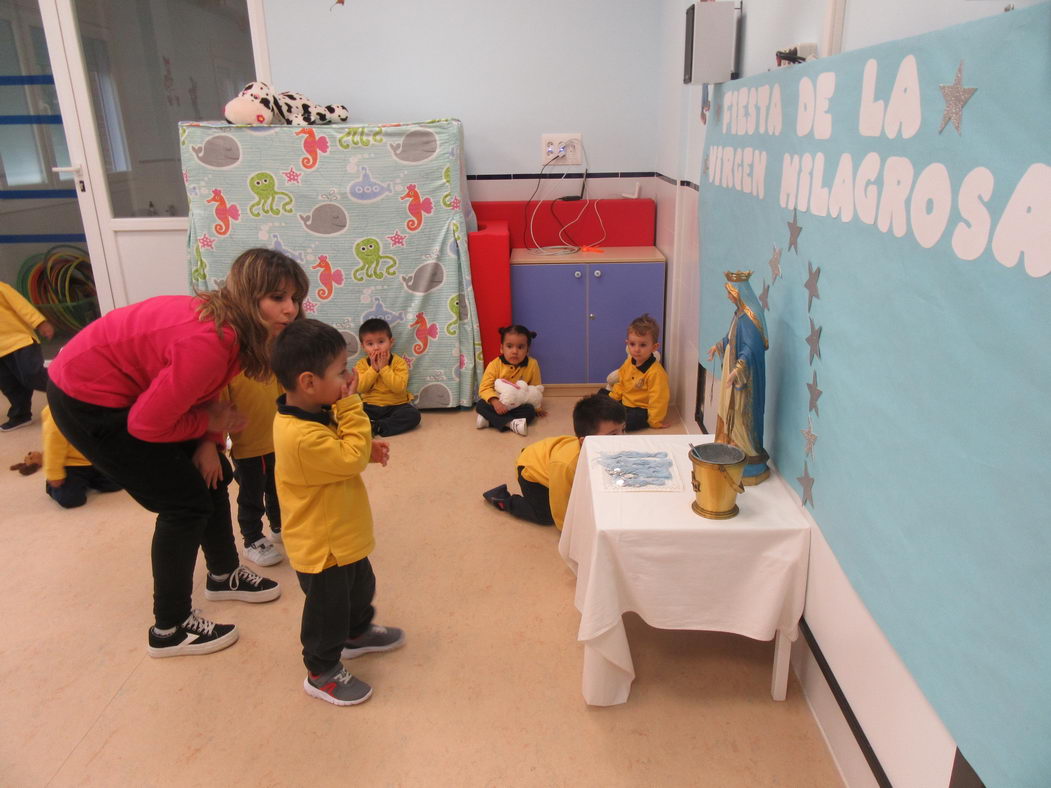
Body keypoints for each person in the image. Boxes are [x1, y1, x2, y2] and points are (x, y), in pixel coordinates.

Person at [46, 247, 308, 658]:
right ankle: (169, 629)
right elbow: (146, 425)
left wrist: (206, 441)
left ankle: (222, 574)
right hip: (88, 400)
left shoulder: (235, 328)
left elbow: (201, 393)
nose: (290, 309)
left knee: (214, 473)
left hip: (133, 395)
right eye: (278, 298)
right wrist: (207, 426)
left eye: (295, 298)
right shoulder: (211, 341)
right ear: (248, 294)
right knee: (184, 504)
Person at [271, 318, 404, 707]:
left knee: (360, 587)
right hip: (321, 545)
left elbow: (344, 450)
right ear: (309, 382)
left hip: (341, 535)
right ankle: (321, 669)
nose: (349, 377)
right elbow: (344, 457)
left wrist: (365, 449)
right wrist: (351, 406)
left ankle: (356, 633)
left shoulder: (313, 412)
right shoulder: (298, 435)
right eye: (342, 371)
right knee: (327, 610)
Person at [482, 394, 626, 529]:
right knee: (545, 516)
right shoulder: (566, 465)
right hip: (530, 470)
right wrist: (570, 531)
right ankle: (502, 499)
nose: (622, 439)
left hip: (547, 455)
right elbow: (560, 508)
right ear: (585, 442)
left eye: (623, 430)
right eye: (612, 435)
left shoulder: (598, 450)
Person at [706, 270, 770, 484]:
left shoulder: (751, 317)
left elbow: (751, 349)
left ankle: (745, 452)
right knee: (728, 409)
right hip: (732, 372)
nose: (728, 297)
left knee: (741, 413)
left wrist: (738, 369)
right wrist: (719, 345)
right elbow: (732, 338)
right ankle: (730, 444)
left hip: (744, 379)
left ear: (739, 293)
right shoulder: (739, 314)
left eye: (730, 293)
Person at [221, 371, 284, 567]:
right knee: (251, 496)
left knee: (278, 489)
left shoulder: (269, 362)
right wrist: (218, 447)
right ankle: (252, 539)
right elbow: (221, 410)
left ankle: (279, 526)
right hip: (248, 449)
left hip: (277, 442)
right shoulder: (229, 370)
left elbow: (284, 396)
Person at [41, 404, 123, 508]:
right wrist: (54, 475)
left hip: (96, 460)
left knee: (116, 485)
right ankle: (51, 486)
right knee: (71, 499)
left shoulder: (101, 404)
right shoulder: (57, 411)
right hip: (71, 465)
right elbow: (53, 447)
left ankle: (88, 481)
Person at [0, 281, 54, 432]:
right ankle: (20, 415)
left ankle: (68, 390)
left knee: (32, 374)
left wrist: (39, 322)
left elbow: (21, 305)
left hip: (19, 341)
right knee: (10, 386)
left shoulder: (1, 288)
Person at [602, 313, 670, 431]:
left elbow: (659, 399)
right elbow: (622, 383)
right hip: (625, 402)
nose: (637, 349)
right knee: (601, 397)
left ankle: (619, 424)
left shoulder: (656, 372)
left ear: (654, 347)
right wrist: (613, 397)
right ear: (627, 343)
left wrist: (654, 420)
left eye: (643, 345)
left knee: (628, 422)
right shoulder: (629, 363)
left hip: (641, 409)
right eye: (632, 344)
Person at [354, 317, 421, 437]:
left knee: (413, 415)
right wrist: (373, 369)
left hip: (396, 406)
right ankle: (372, 424)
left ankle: (378, 427)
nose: (376, 348)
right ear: (363, 346)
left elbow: (399, 388)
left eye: (381, 342)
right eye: (370, 344)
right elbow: (360, 388)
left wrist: (384, 368)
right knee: (351, 413)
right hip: (370, 406)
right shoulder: (362, 364)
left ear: (391, 342)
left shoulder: (399, 363)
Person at [475, 324, 543, 436]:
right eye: (509, 346)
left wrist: (538, 407)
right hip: (499, 403)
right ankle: (511, 423)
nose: (515, 351)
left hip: (518, 404)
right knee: (480, 405)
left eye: (520, 347)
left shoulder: (532, 364)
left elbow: (535, 388)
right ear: (502, 348)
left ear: (527, 350)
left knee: (530, 411)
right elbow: (484, 388)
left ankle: (489, 421)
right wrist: (495, 402)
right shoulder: (495, 364)